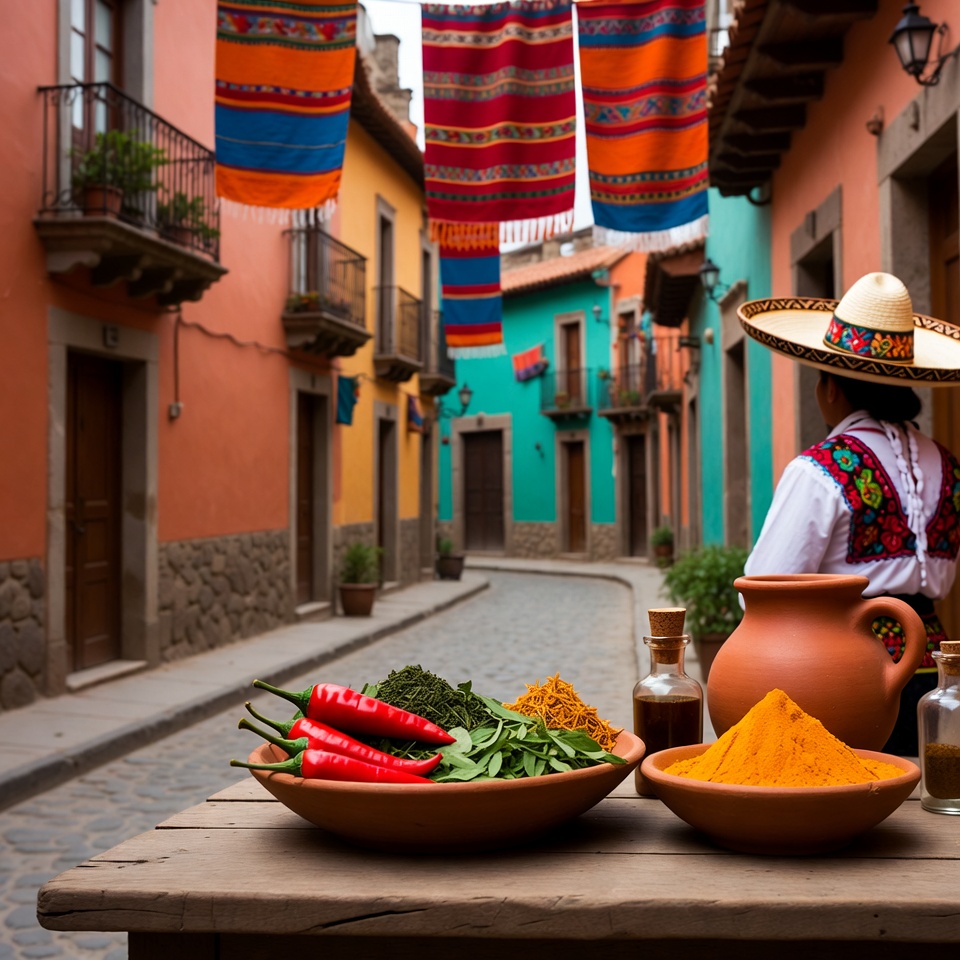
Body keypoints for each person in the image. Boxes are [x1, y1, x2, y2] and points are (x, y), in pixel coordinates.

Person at [740, 271, 960, 756]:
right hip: (938, 675)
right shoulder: (949, 466)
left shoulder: (819, 469)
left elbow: (762, 589)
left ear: (832, 388)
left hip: (844, 677)